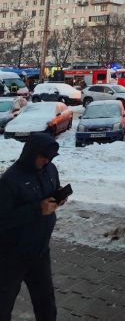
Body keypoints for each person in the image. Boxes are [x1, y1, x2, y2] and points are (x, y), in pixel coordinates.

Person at [0, 133, 64, 321]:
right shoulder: (10, 180)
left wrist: (58, 198)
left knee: (46, 303)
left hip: (40, 251)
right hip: (12, 256)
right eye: (44, 157)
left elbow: (52, 191)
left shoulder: (50, 169)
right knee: (3, 305)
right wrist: (37, 209)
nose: (47, 161)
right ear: (31, 153)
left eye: (50, 158)